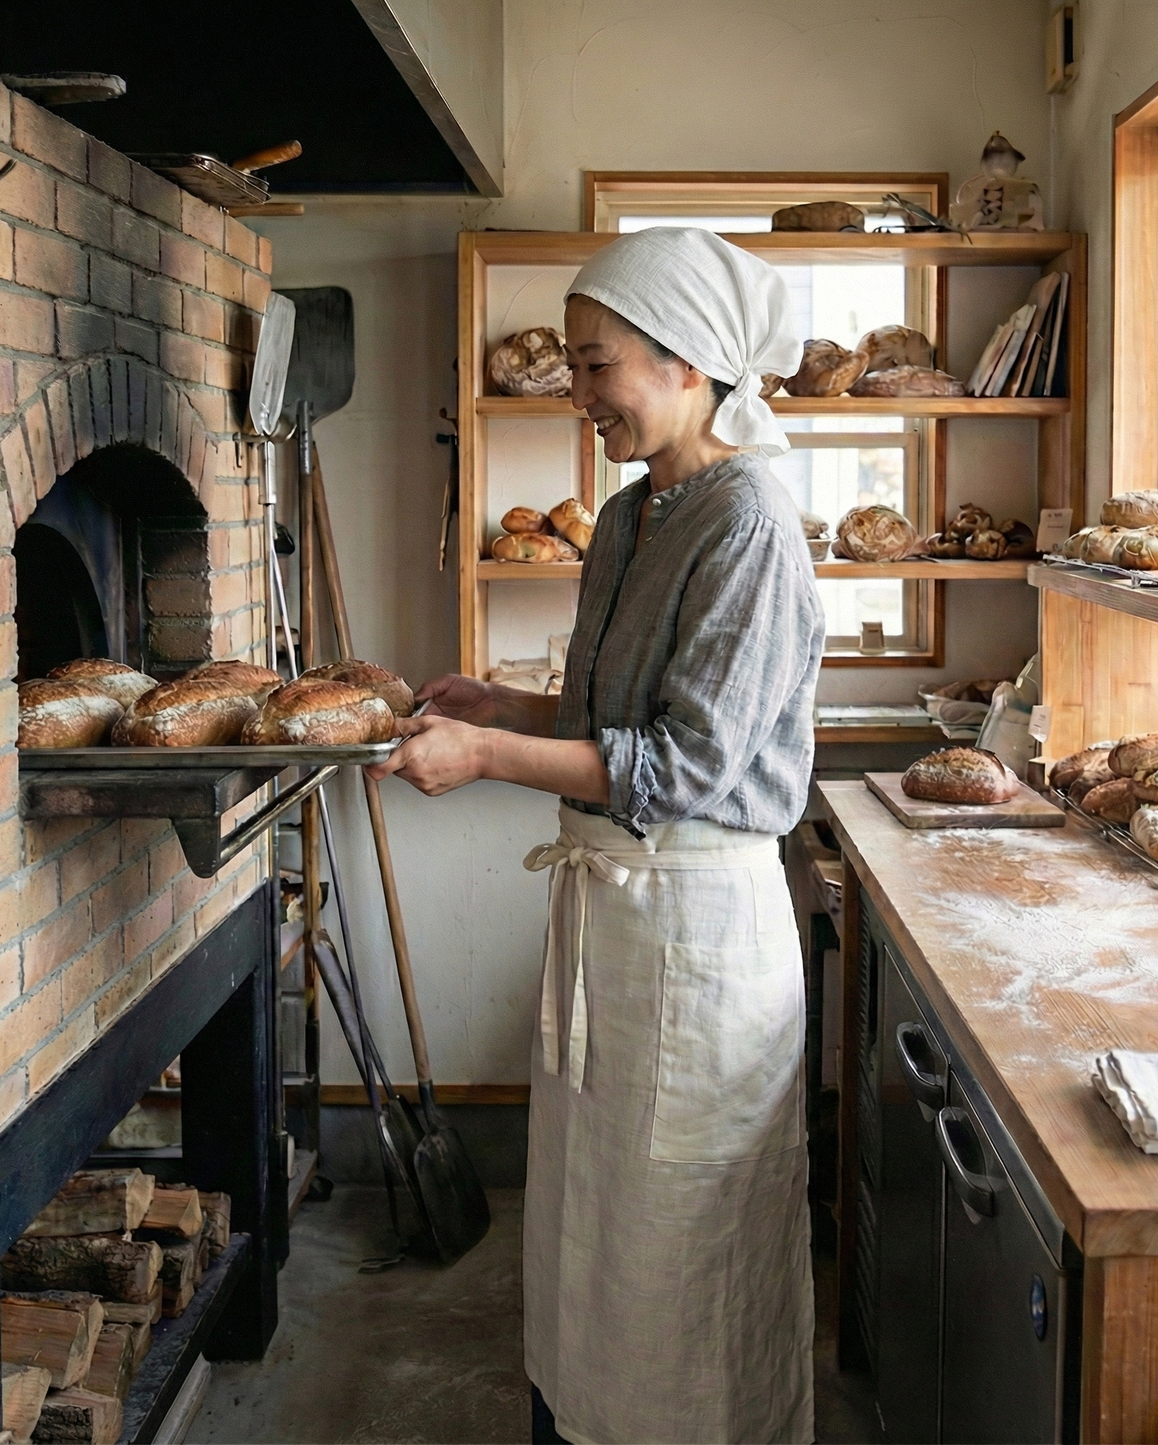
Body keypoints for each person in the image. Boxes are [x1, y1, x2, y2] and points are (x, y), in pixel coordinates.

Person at [369, 226, 823, 1444]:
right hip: (613, 922)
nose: (577, 395)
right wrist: (496, 706)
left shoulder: (749, 527)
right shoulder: (628, 518)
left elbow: (684, 765)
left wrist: (485, 761)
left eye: (596, 365)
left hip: (698, 932)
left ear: (688, 365)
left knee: (684, 1251)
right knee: (593, 1233)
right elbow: (609, 718)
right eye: (574, 366)